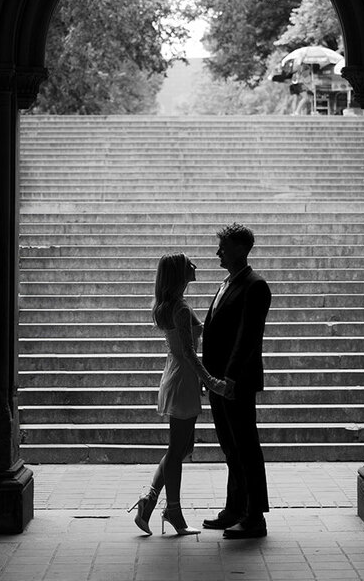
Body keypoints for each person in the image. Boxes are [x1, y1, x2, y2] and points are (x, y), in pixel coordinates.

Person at [129, 253, 230, 537]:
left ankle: (149, 501)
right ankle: (172, 510)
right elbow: (189, 352)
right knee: (177, 450)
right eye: (188, 264)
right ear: (178, 274)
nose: (194, 266)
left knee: (182, 448)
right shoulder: (181, 309)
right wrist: (212, 381)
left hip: (177, 376)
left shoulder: (172, 305)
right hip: (183, 378)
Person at [201, 223, 272, 539]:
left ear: (241, 250)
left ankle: (254, 517)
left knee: (246, 448)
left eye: (224, 247)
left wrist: (229, 378)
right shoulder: (227, 283)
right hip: (218, 381)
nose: (218, 252)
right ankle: (234, 509)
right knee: (231, 448)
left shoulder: (255, 286)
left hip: (236, 381)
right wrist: (209, 376)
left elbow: (248, 337)